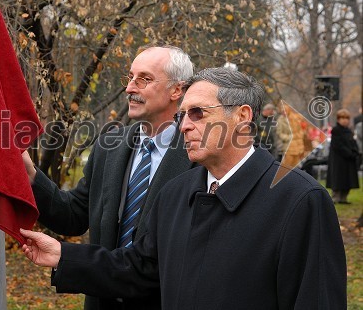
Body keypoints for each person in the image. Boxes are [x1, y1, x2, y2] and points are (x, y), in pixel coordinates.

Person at [20, 67, 347, 309]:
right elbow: (139, 269)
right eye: (181, 115)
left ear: (242, 117)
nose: (184, 124)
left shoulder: (300, 200)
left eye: (197, 113)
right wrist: (63, 255)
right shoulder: (176, 193)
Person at [22, 45, 195, 310]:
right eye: (130, 77)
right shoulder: (109, 147)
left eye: (144, 79)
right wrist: (31, 175)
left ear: (177, 90)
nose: (129, 88)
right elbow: (74, 215)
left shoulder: (199, 159)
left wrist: (65, 255)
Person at [326, 109, 360, 204]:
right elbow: (338, 146)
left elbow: (353, 143)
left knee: (347, 180)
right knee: (338, 180)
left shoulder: (349, 131)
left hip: (348, 160)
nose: (344, 120)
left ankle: (343, 198)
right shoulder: (336, 130)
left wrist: (355, 152)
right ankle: (336, 198)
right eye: (342, 118)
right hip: (339, 160)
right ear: (338, 119)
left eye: (346, 118)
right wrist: (349, 153)